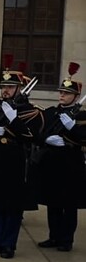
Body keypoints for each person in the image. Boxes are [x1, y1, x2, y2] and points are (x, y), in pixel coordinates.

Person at [0, 56, 43, 259]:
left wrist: (14, 121)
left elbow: (32, 137)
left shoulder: (30, 112)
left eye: (11, 87)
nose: (6, 90)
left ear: (20, 88)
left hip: (15, 160)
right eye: (3, 86)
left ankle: (8, 244)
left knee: (12, 205)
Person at [31, 63, 85, 252]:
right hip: (51, 163)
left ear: (76, 96)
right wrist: (48, 139)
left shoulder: (81, 116)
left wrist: (72, 129)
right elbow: (38, 134)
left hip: (71, 165)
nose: (62, 95)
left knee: (68, 205)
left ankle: (66, 239)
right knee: (52, 202)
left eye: (67, 93)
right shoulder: (51, 113)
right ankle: (53, 236)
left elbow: (84, 138)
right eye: (61, 92)